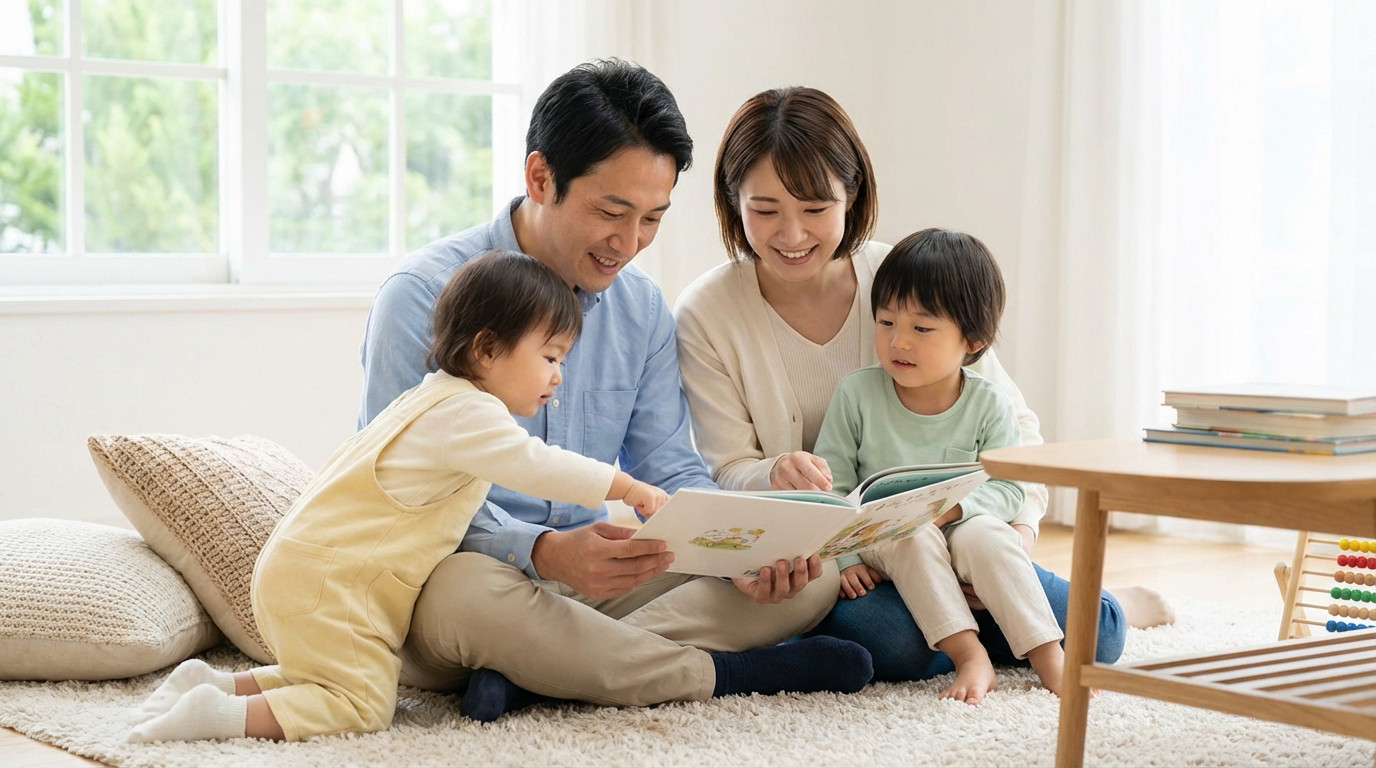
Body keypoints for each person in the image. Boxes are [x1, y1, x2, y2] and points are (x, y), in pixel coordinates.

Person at [357, 61, 867, 724]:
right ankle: (720, 673)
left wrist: (735, 552)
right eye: (611, 212)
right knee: (463, 595)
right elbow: (400, 496)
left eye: (652, 218)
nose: (629, 244)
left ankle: (539, 672)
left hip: (594, 585)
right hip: (466, 574)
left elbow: (669, 467)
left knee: (808, 578)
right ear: (541, 178)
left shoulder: (641, 309)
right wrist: (542, 551)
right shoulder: (422, 297)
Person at [674, 85, 1174, 684]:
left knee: (1105, 633)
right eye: (765, 210)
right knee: (886, 646)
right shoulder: (707, 311)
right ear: (732, 202)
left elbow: (1017, 435)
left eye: (814, 209)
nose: (792, 234)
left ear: (851, 193)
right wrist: (774, 474)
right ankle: (975, 632)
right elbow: (728, 467)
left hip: (967, 535)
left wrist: (1013, 534)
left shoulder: (904, 280)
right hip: (851, 559)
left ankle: (1061, 609)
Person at [129, 250, 672, 743]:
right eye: (550, 358)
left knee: (322, 676)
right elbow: (536, 465)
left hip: (306, 571)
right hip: (334, 585)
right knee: (360, 703)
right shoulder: (469, 413)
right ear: (486, 350)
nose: (558, 377)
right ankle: (215, 718)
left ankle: (219, 686)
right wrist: (625, 486)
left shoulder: (432, 397)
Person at [815, 228, 1065, 704]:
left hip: (960, 530)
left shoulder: (989, 401)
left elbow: (1010, 488)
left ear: (974, 339)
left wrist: (953, 511)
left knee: (992, 535)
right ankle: (971, 655)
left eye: (921, 329)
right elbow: (834, 484)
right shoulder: (857, 393)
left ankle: (1048, 654)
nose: (898, 342)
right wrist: (843, 558)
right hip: (889, 537)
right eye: (886, 322)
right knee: (908, 537)